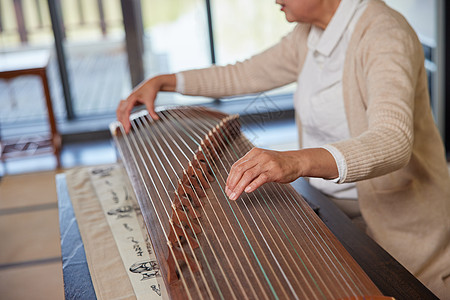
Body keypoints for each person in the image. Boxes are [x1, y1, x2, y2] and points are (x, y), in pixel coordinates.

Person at [117, 0, 450, 298]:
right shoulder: (310, 34)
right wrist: (165, 81)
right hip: (329, 205)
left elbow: (393, 140)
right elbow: (242, 74)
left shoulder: (383, 33)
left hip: (400, 227)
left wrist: (297, 161)